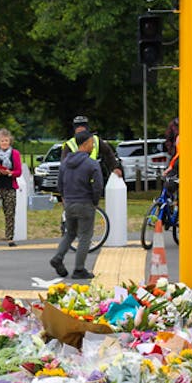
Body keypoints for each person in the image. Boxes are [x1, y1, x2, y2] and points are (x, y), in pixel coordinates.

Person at [49, 131, 103, 281]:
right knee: (85, 236)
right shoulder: (92, 163)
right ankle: (79, 269)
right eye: (92, 142)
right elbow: (98, 185)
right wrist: (94, 201)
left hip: (69, 203)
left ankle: (58, 257)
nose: (93, 145)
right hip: (85, 203)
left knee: (70, 233)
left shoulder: (65, 162)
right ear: (85, 144)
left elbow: (59, 183)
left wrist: (65, 198)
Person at [60, 115, 122, 182]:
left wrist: (115, 167)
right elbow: (63, 165)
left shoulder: (96, 140)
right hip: (77, 179)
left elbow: (108, 153)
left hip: (93, 175)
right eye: (78, 126)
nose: (80, 128)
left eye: (83, 125)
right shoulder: (69, 144)